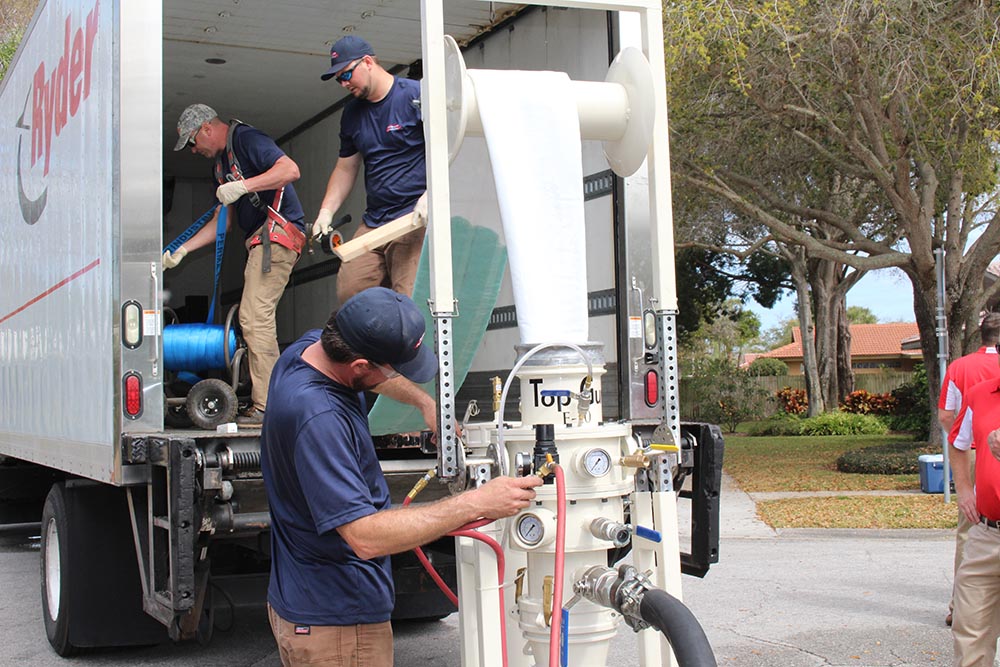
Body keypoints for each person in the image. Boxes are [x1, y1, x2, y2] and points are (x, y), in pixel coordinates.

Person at [259, 287, 542, 667]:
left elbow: (377, 374)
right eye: (391, 368)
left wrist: (425, 402)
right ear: (359, 366)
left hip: (305, 598)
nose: (394, 376)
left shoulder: (306, 351)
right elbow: (364, 536)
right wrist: (476, 502)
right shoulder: (319, 417)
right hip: (339, 625)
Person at [164, 103, 307, 424]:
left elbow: (290, 170)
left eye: (191, 142)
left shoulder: (246, 139)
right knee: (252, 317)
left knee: (255, 317)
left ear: (206, 129)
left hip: (277, 236)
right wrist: (181, 251)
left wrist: (244, 186)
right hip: (260, 240)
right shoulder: (221, 166)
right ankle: (267, 401)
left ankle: (270, 407)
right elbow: (222, 222)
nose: (192, 150)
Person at [312, 36, 428, 304]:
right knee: (352, 295)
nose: (344, 83)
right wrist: (326, 211)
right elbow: (345, 167)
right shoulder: (352, 113)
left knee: (410, 300)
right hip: (375, 220)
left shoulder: (415, 96)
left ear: (368, 62)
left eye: (347, 74)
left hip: (413, 217)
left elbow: (447, 148)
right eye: (339, 79)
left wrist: (430, 195)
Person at [938, 312, 1000, 627]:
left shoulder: (959, 367)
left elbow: (946, 415)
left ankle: (960, 605)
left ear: (981, 335)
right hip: (990, 452)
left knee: (972, 529)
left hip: (973, 451)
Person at [950, 351, 1000, 667]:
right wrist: (965, 490)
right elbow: (958, 444)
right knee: (969, 630)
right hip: (987, 533)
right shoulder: (980, 394)